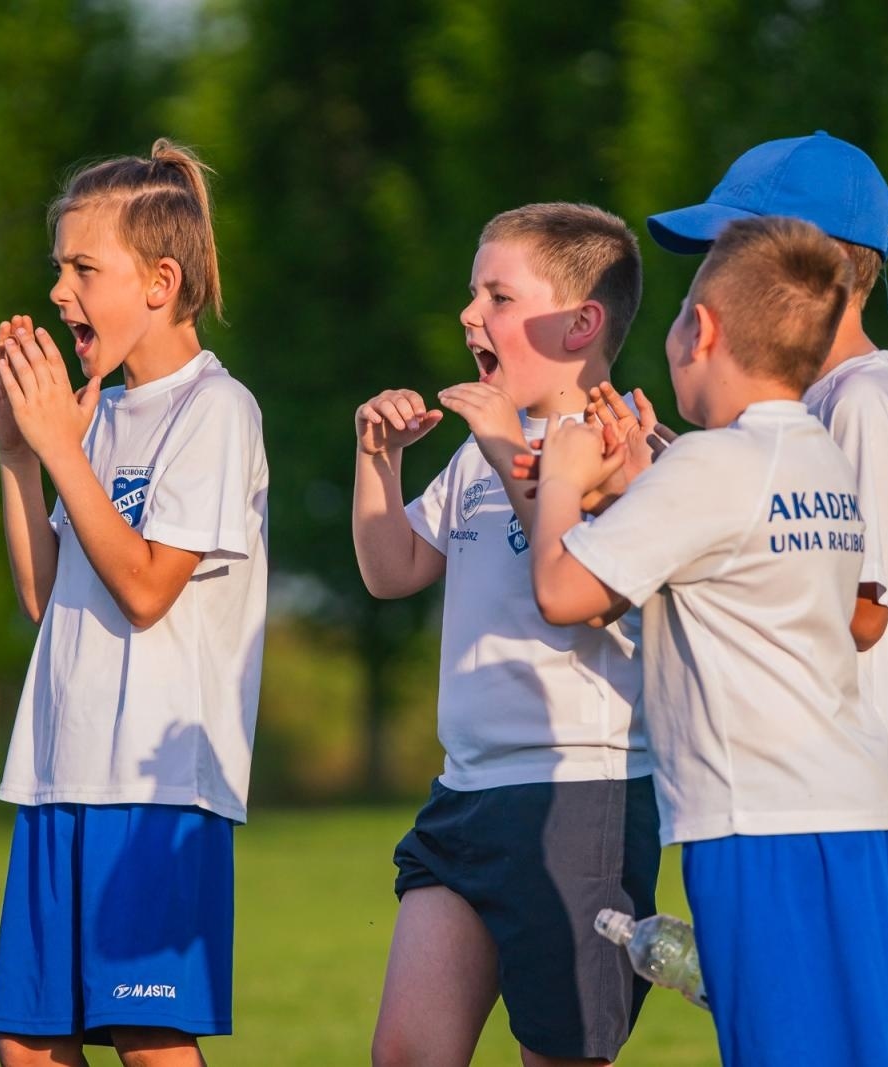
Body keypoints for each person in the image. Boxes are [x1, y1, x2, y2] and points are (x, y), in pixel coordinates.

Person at [527, 215, 888, 1067]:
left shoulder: (711, 465)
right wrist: (646, 484)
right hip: (854, 812)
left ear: (699, 330)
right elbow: (727, 567)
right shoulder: (819, 459)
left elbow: (561, 591)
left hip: (760, 824)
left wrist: (562, 474)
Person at [649, 130, 888, 1064]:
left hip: (865, 781)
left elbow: (857, 609)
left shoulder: (858, 404)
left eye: (730, 250)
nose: (711, 277)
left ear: (804, 263)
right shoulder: (805, 407)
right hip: (837, 780)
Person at [0, 138, 268, 1067]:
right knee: (29, 1042)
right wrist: (20, 454)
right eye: (58, 268)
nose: (59, 291)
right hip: (60, 770)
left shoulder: (216, 410)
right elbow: (44, 594)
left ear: (159, 282)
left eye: (82, 269)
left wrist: (60, 450)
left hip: (155, 786)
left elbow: (145, 588)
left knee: (148, 1036)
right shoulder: (94, 415)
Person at [352, 202, 659, 1067]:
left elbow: (587, 590)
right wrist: (378, 460)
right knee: (406, 1055)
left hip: (578, 800)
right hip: (466, 794)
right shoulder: (473, 456)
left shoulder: (630, 452)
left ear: (580, 324)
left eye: (498, 296)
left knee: (559, 1057)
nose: (468, 314)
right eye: (472, 293)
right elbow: (393, 568)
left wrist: (499, 449)